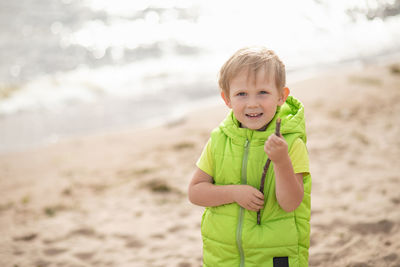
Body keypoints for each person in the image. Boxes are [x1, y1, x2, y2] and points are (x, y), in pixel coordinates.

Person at [188, 46, 311, 267]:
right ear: (227, 99)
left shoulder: (291, 144)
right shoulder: (219, 140)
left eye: (263, 92)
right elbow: (195, 192)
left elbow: (291, 203)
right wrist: (234, 193)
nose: (252, 103)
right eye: (241, 94)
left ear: (281, 96)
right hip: (224, 256)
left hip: (274, 256)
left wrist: (281, 161)